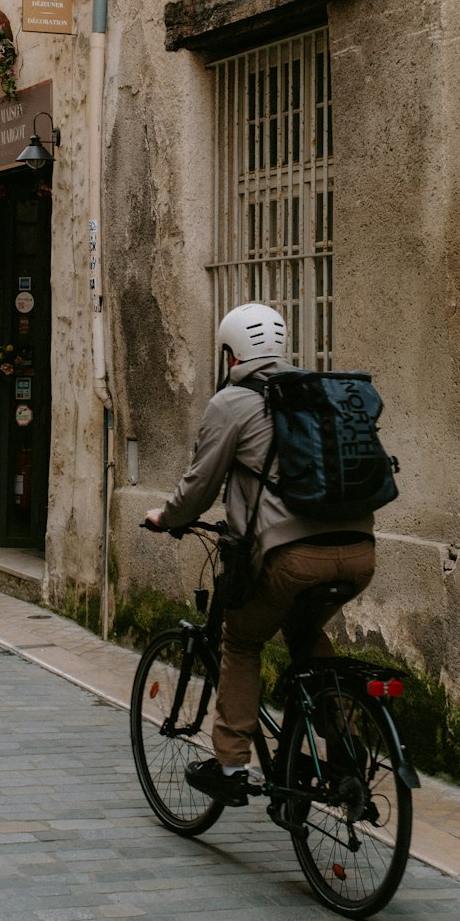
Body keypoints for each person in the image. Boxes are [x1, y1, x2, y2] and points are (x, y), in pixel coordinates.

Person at [145, 302, 376, 807]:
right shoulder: (315, 392)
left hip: (293, 559)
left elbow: (199, 486)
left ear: (230, 353)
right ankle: (345, 755)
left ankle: (229, 765)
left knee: (242, 640)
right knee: (304, 634)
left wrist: (167, 517)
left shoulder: (232, 401)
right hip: (360, 552)